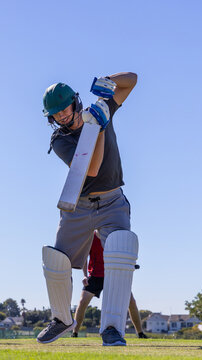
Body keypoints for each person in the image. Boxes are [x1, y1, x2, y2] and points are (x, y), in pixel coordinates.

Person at [37, 73, 139, 346]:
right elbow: (90, 169)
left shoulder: (102, 107)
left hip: (113, 201)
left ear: (75, 102)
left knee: (121, 251)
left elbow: (132, 80)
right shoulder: (60, 140)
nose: (61, 117)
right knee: (57, 261)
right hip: (79, 205)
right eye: (55, 114)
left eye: (64, 110)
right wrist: (101, 127)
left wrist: (106, 81)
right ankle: (61, 318)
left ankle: (113, 329)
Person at [71, 232, 148, 339]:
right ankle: (74, 333)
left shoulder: (113, 236)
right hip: (95, 275)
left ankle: (140, 334)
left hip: (114, 275)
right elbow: (84, 257)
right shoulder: (90, 237)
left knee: (131, 302)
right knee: (82, 302)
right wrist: (85, 275)